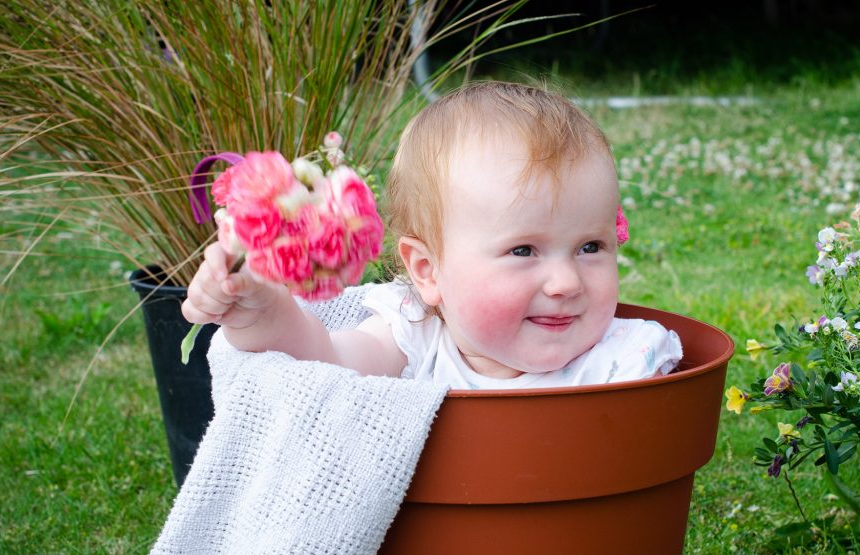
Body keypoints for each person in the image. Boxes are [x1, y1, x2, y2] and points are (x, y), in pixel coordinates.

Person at [182, 81, 682, 389]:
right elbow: (323, 364)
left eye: (590, 247)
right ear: (427, 271)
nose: (565, 282)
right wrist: (262, 309)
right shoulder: (414, 340)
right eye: (524, 249)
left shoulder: (626, 361)